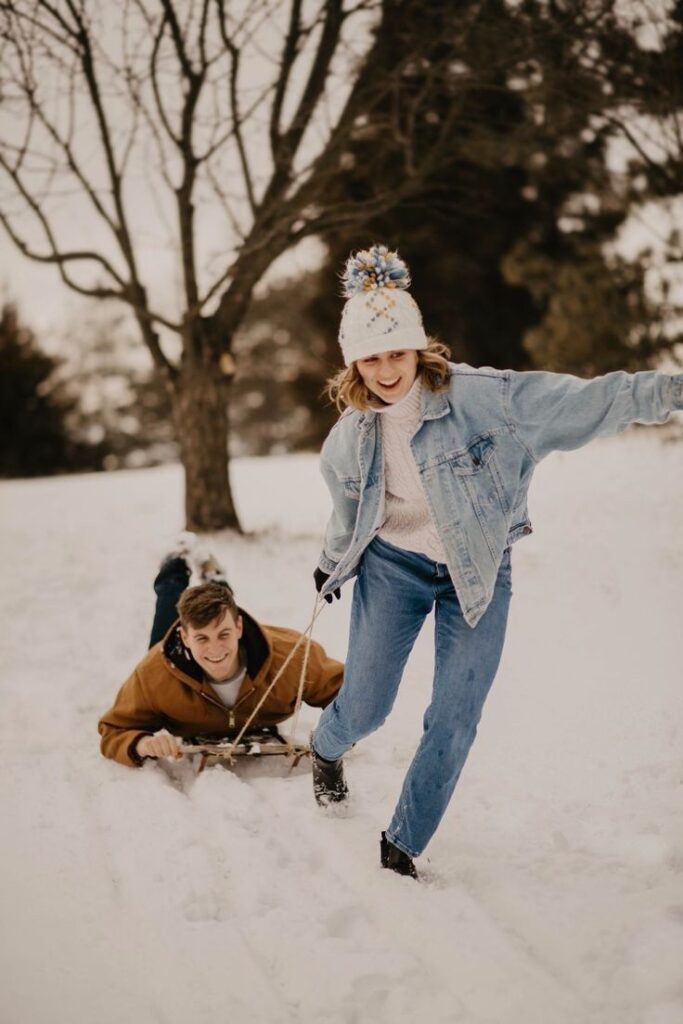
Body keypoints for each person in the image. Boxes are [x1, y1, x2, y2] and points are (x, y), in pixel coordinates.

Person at [310, 243, 683, 880]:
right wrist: (329, 563)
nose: (387, 369)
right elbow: (350, 511)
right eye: (371, 358)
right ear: (353, 364)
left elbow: (590, 401)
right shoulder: (347, 439)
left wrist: (670, 390)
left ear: (418, 348)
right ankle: (325, 748)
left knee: (457, 713)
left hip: (477, 572)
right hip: (392, 569)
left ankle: (403, 843)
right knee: (367, 704)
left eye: (397, 352)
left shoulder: (489, 401)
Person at [99, 536, 344, 766]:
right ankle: (176, 560)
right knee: (170, 600)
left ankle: (214, 578)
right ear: (184, 637)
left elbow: (345, 691)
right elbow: (113, 731)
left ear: (239, 627)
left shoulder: (292, 656)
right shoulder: (153, 674)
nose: (215, 649)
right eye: (201, 638)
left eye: (224, 635)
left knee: (219, 605)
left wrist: (339, 731)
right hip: (172, 663)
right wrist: (142, 743)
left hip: (237, 629)